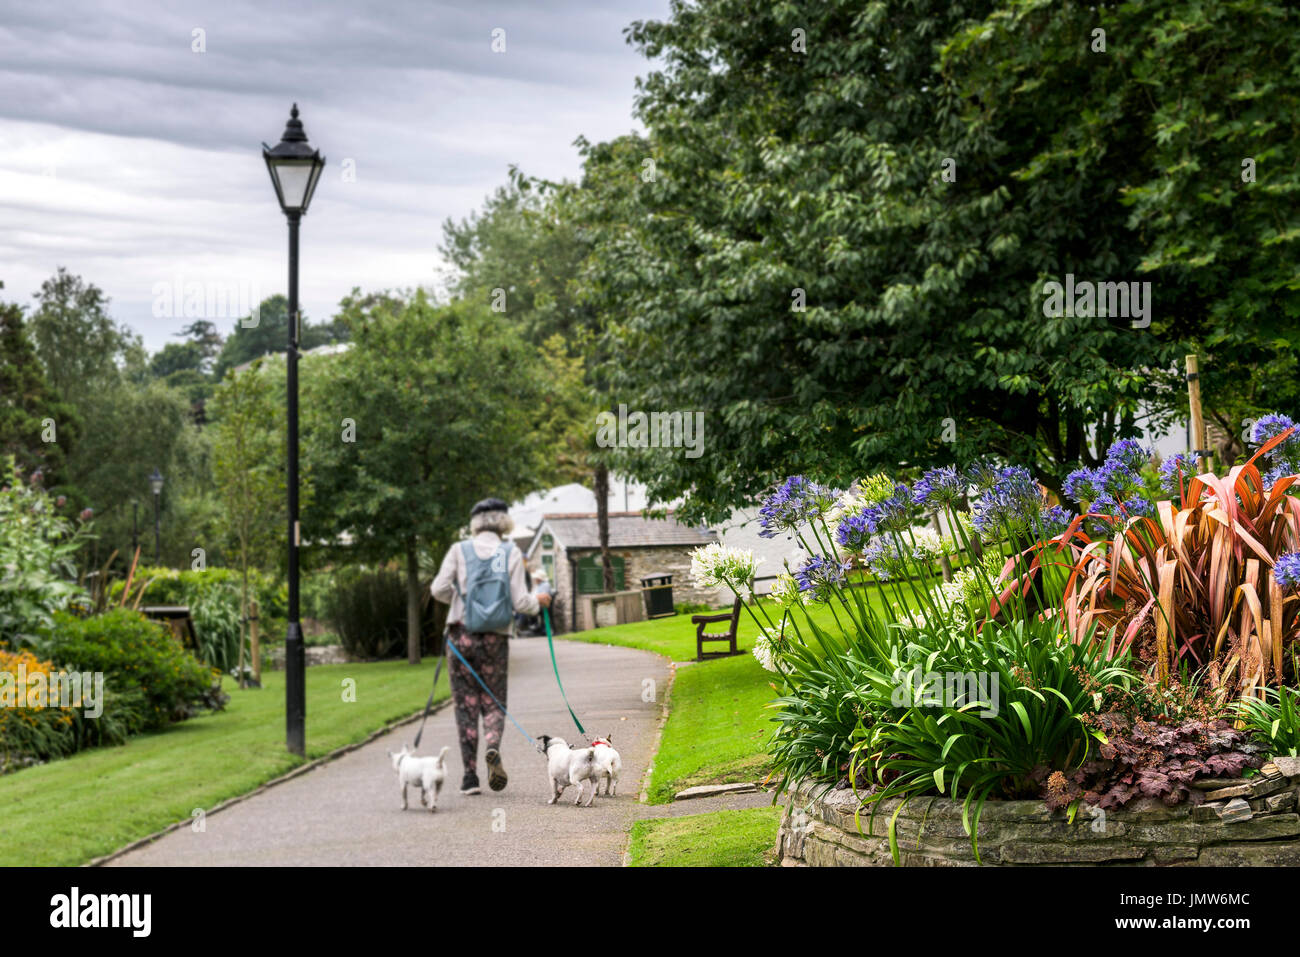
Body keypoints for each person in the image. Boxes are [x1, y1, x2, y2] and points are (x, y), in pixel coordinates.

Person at [431, 497, 552, 795]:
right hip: (495, 639)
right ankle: (493, 747)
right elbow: (521, 601)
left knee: (466, 705)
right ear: (504, 522)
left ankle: (469, 776)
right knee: (493, 699)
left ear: (474, 523)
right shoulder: (510, 552)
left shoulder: (459, 550)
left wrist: (461, 600)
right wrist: (539, 602)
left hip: (461, 637)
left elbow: (438, 589)